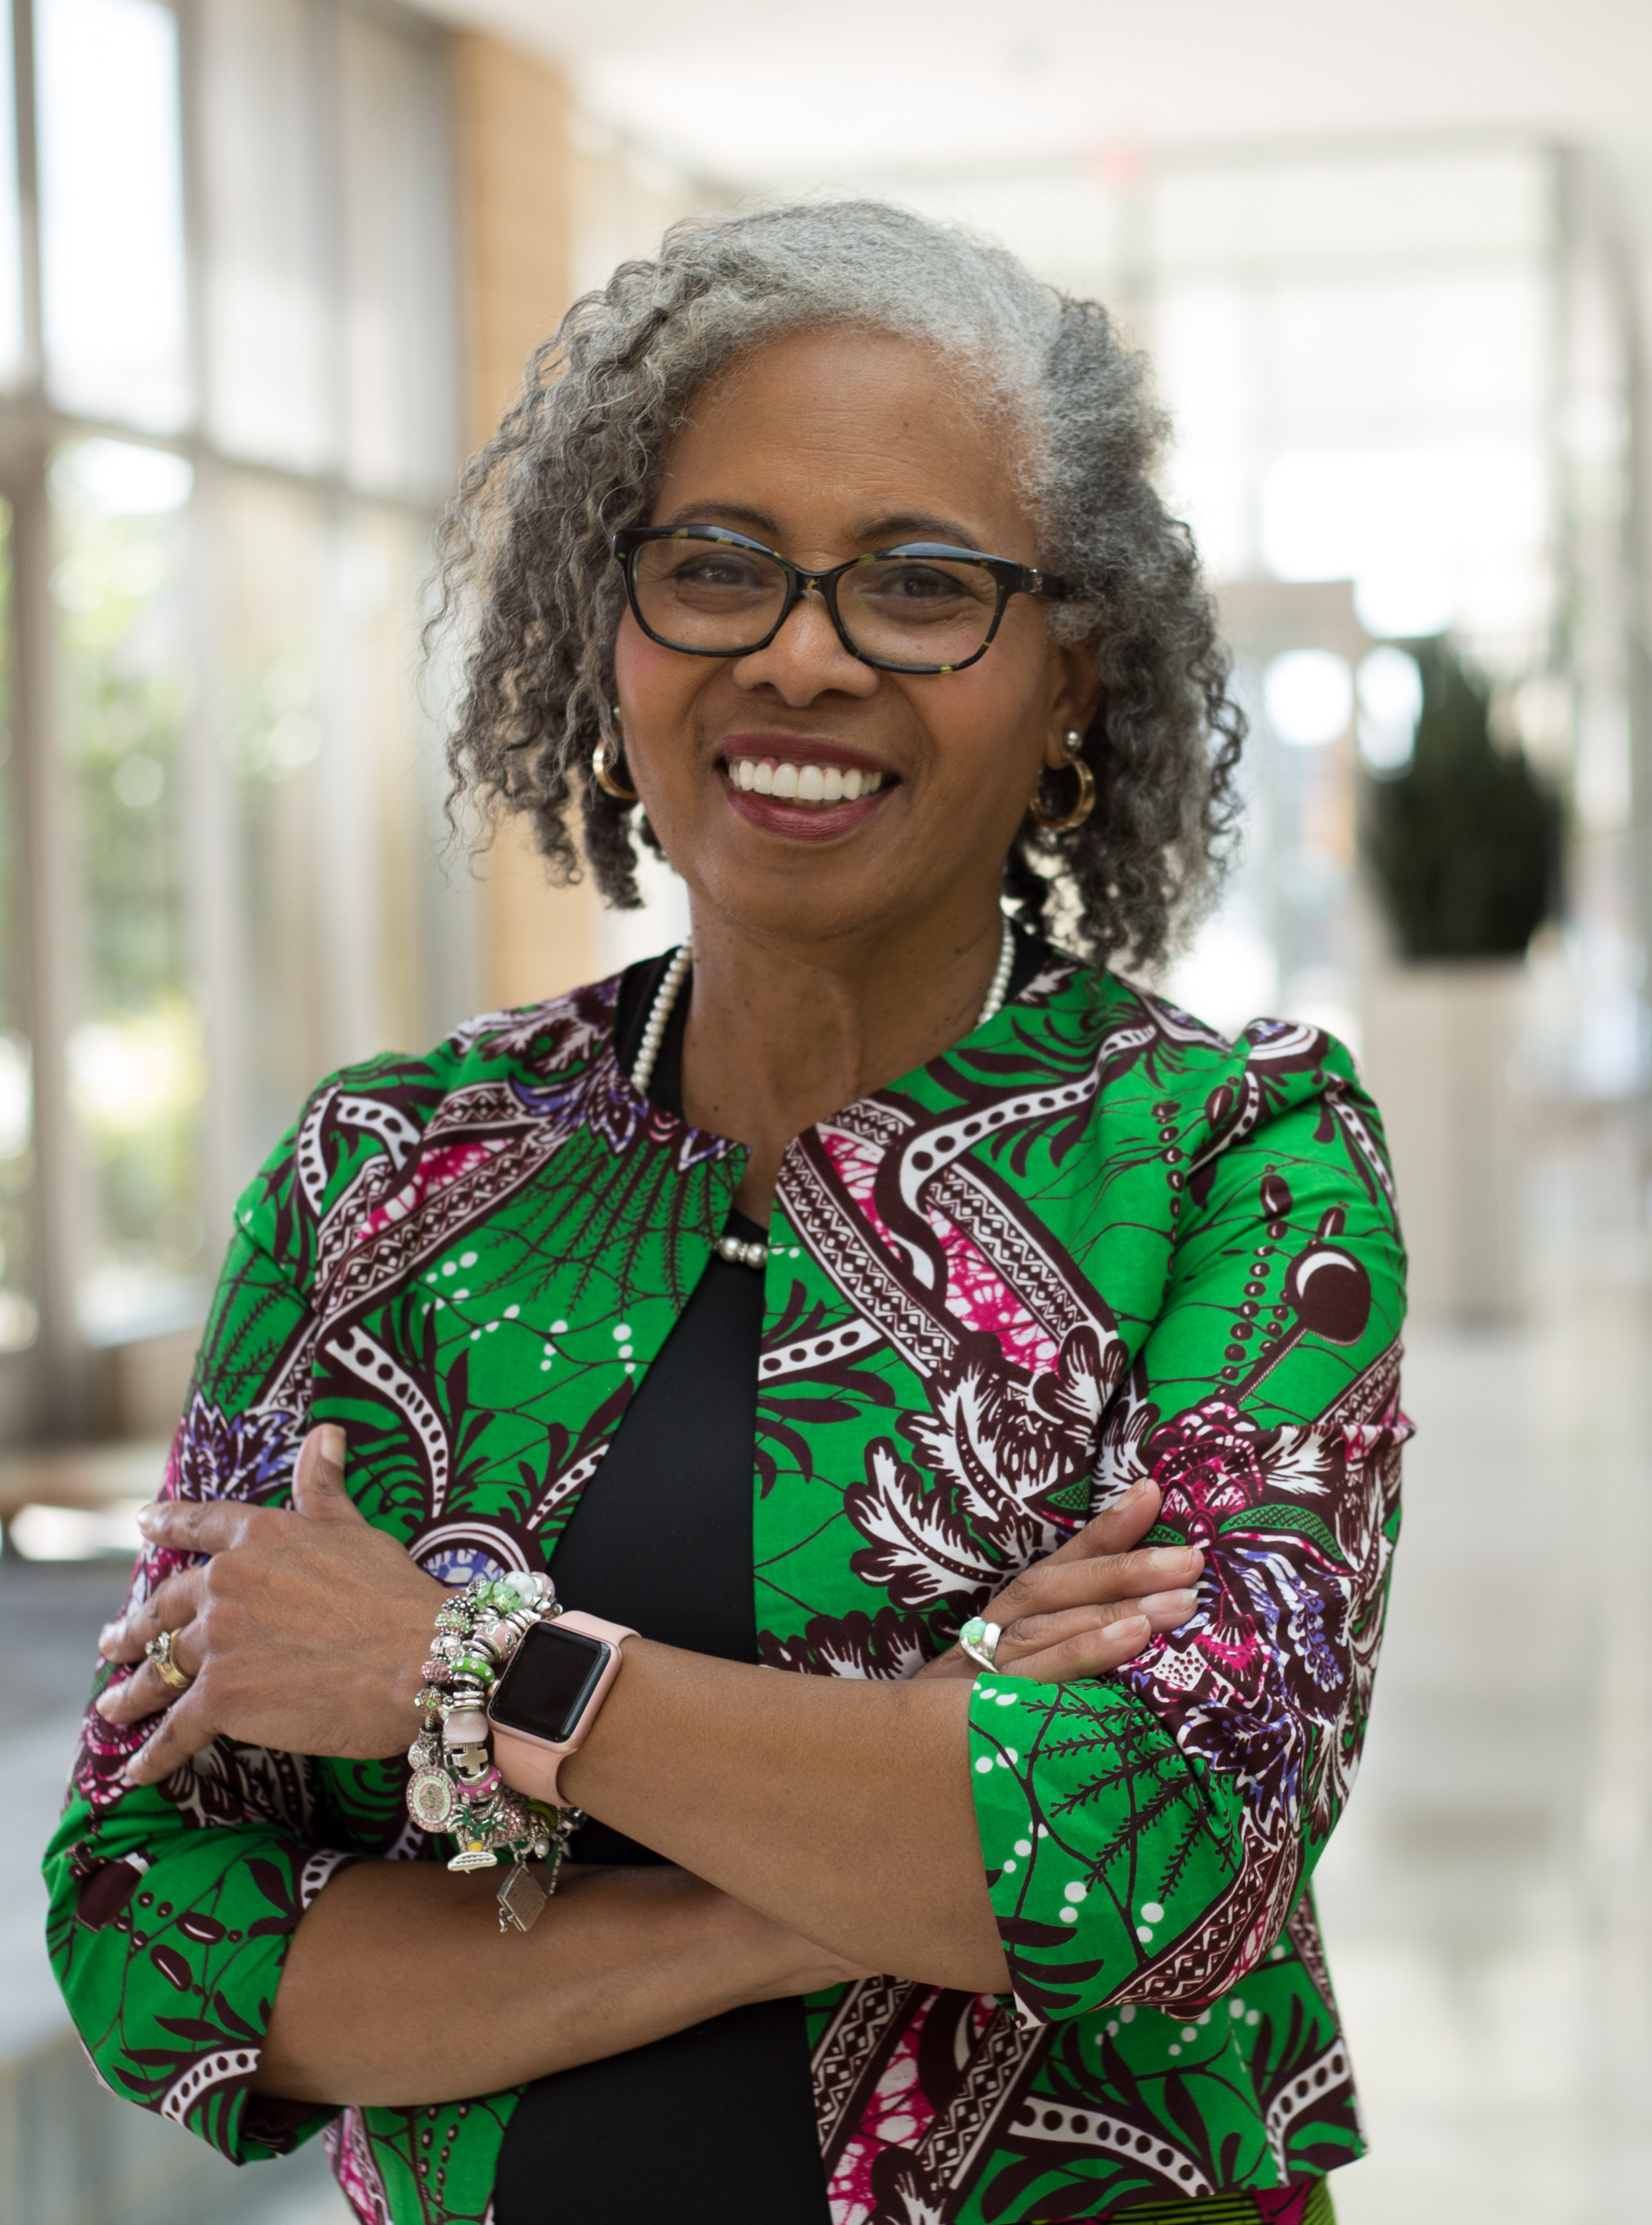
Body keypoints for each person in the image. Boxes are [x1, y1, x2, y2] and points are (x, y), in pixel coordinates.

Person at [45, 201, 1408, 2225]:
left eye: (920, 584)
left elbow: (1165, 1859)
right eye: (714, 567)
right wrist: (853, 1857)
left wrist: (464, 1668)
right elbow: (147, 1925)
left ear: (1068, 682)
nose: (799, 650)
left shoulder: (1235, 1158)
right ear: (606, 635)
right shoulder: (390, 1168)